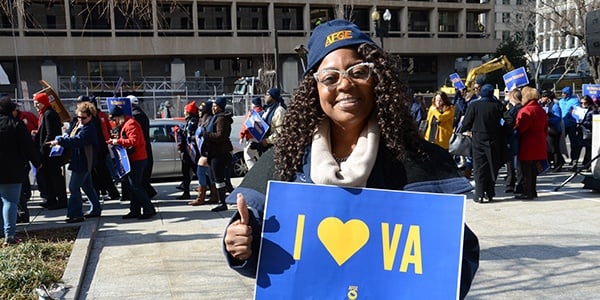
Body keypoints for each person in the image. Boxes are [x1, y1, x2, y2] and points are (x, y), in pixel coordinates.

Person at [222, 19, 479, 299]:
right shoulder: (285, 160)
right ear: (314, 89)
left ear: (377, 81)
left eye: (358, 72)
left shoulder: (417, 161)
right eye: (330, 78)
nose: (345, 84)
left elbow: (462, 256)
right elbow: (263, 254)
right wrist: (239, 247)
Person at [49, 102, 102, 222]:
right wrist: (60, 138)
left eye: (83, 117)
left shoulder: (90, 128)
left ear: (90, 116)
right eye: (79, 117)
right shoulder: (79, 124)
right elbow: (69, 134)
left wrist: (60, 141)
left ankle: (76, 214)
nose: (80, 119)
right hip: (79, 160)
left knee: (73, 187)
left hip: (84, 162)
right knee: (87, 186)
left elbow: (77, 140)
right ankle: (96, 208)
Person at [0, 96, 41, 246]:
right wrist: (37, 162)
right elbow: (27, 147)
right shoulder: (16, 124)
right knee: (10, 201)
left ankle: (1, 231)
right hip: (12, 170)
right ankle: (9, 236)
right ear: (12, 111)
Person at [107, 106, 157, 219]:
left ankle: (149, 209)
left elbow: (133, 141)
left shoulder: (131, 124)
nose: (114, 123)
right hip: (134, 159)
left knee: (136, 186)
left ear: (119, 117)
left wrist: (117, 141)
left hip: (137, 159)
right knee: (133, 186)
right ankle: (135, 210)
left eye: (114, 120)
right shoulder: (127, 124)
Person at [461, 84, 507, 203]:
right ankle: (490, 192)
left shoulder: (474, 105)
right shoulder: (498, 105)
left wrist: (467, 130)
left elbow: (466, 122)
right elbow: (508, 120)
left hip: (478, 139)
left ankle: (480, 194)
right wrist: (501, 130)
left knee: (479, 167)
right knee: (492, 166)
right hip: (494, 139)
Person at [32, 92, 68, 210]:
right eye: (35, 103)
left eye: (38, 103)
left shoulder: (48, 114)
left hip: (49, 152)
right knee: (47, 176)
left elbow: (50, 133)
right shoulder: (45, 114)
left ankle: (60, 200)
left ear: (44, 102)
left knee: (54, 176)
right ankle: (51, 199)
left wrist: (43, 148)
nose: (36, 106)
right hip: (47, 150)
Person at [514, 87, 548, 200]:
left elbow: (521, 128)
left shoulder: (526, 111)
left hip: (528, 143)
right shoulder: (541, 110)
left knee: (525, 170)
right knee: (533, 170)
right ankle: (533, 191)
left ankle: (527, 192)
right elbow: (545, 128)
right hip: (540, 142)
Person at [203, 97, 234, 212]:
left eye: (215, 105)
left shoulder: (221, 119)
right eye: (213, 105)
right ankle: (222, 199)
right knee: (215, 177)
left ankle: (222, 202)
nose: (213, 107)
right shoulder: (215, 118)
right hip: (213, 153)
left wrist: (206, 135)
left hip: (219, 153)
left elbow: (220, 136)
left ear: (220, 107)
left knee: (219, 178)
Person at [189, 101, 219, 206]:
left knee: (201, 171)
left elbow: (210, 135)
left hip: (208, 151)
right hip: (203, 151)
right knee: (209, 174)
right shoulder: (202, 120)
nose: (199, 112)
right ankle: (214, 195)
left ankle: (201, 197)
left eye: (202, 110)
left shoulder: (210, 120)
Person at [128, 95, 156, 198]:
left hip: (141, 149)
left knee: (140, 179)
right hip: (145, 147)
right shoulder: (140, 114)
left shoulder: (136, 116)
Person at [14, 105, 38, 223]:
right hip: (17, 162)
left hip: (17, 162)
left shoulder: (21, 121)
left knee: (18, 191)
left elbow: (27, 145)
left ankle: (21, 214)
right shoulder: (16, 124)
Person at [176, 101, 199, 200]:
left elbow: (191, 136)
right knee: (186, 173)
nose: (184, 112)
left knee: (197, 172)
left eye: (185, 111)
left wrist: (182, 132)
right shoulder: (189, 121)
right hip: (187, 152)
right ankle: (186, 192)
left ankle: (208, 190)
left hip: (191, 152)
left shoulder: (193, 121)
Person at [502, 88, 523, 194]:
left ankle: (510, 183)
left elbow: (508, 121)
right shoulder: (522, 108)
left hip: (513, 137)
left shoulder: (514, 109)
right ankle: (517, 182)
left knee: (511, 162)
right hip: (521, 137)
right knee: (519, 163)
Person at [539, 90, 566, 172]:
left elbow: (557, 118)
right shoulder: (544, 105)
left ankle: (558, 164)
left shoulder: (555, 106)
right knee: (549, 148)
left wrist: (547, 120)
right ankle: (557, 161)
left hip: (554, 130)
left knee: (554, 148)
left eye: (543, 97)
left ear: (548, 98)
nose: (541, 98)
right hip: (548, 129)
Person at [571, 95, 597, 170]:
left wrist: (583, 122)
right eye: (581, 103)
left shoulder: (593, 110)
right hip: (580, 131)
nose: (583, 105)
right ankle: (574, 163)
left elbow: (594, 122)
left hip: (587, 132)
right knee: (577, 148)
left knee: (588, 149)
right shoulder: (579, 109)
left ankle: (587, 164)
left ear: (589, 102)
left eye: (585, 103)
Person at [558, 86, 580, 169]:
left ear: (569, 94)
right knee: (560, 143)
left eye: (565, 93)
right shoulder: (560, 101)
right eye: (562, 93)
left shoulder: (574, 101)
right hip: (562, 125)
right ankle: (561, 159)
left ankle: (574, 159)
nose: (563, 94)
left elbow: (577, 111)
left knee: (573, 143)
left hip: (571, 125)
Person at [240, 96, 264, 169]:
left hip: (251, 139)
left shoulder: (251, 113)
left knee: (248, 157)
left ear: (253, 104)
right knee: (261, 158)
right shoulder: (264, 112)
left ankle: (254, 173)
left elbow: (246, 125)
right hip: (262, 139)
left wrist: (242, 136)